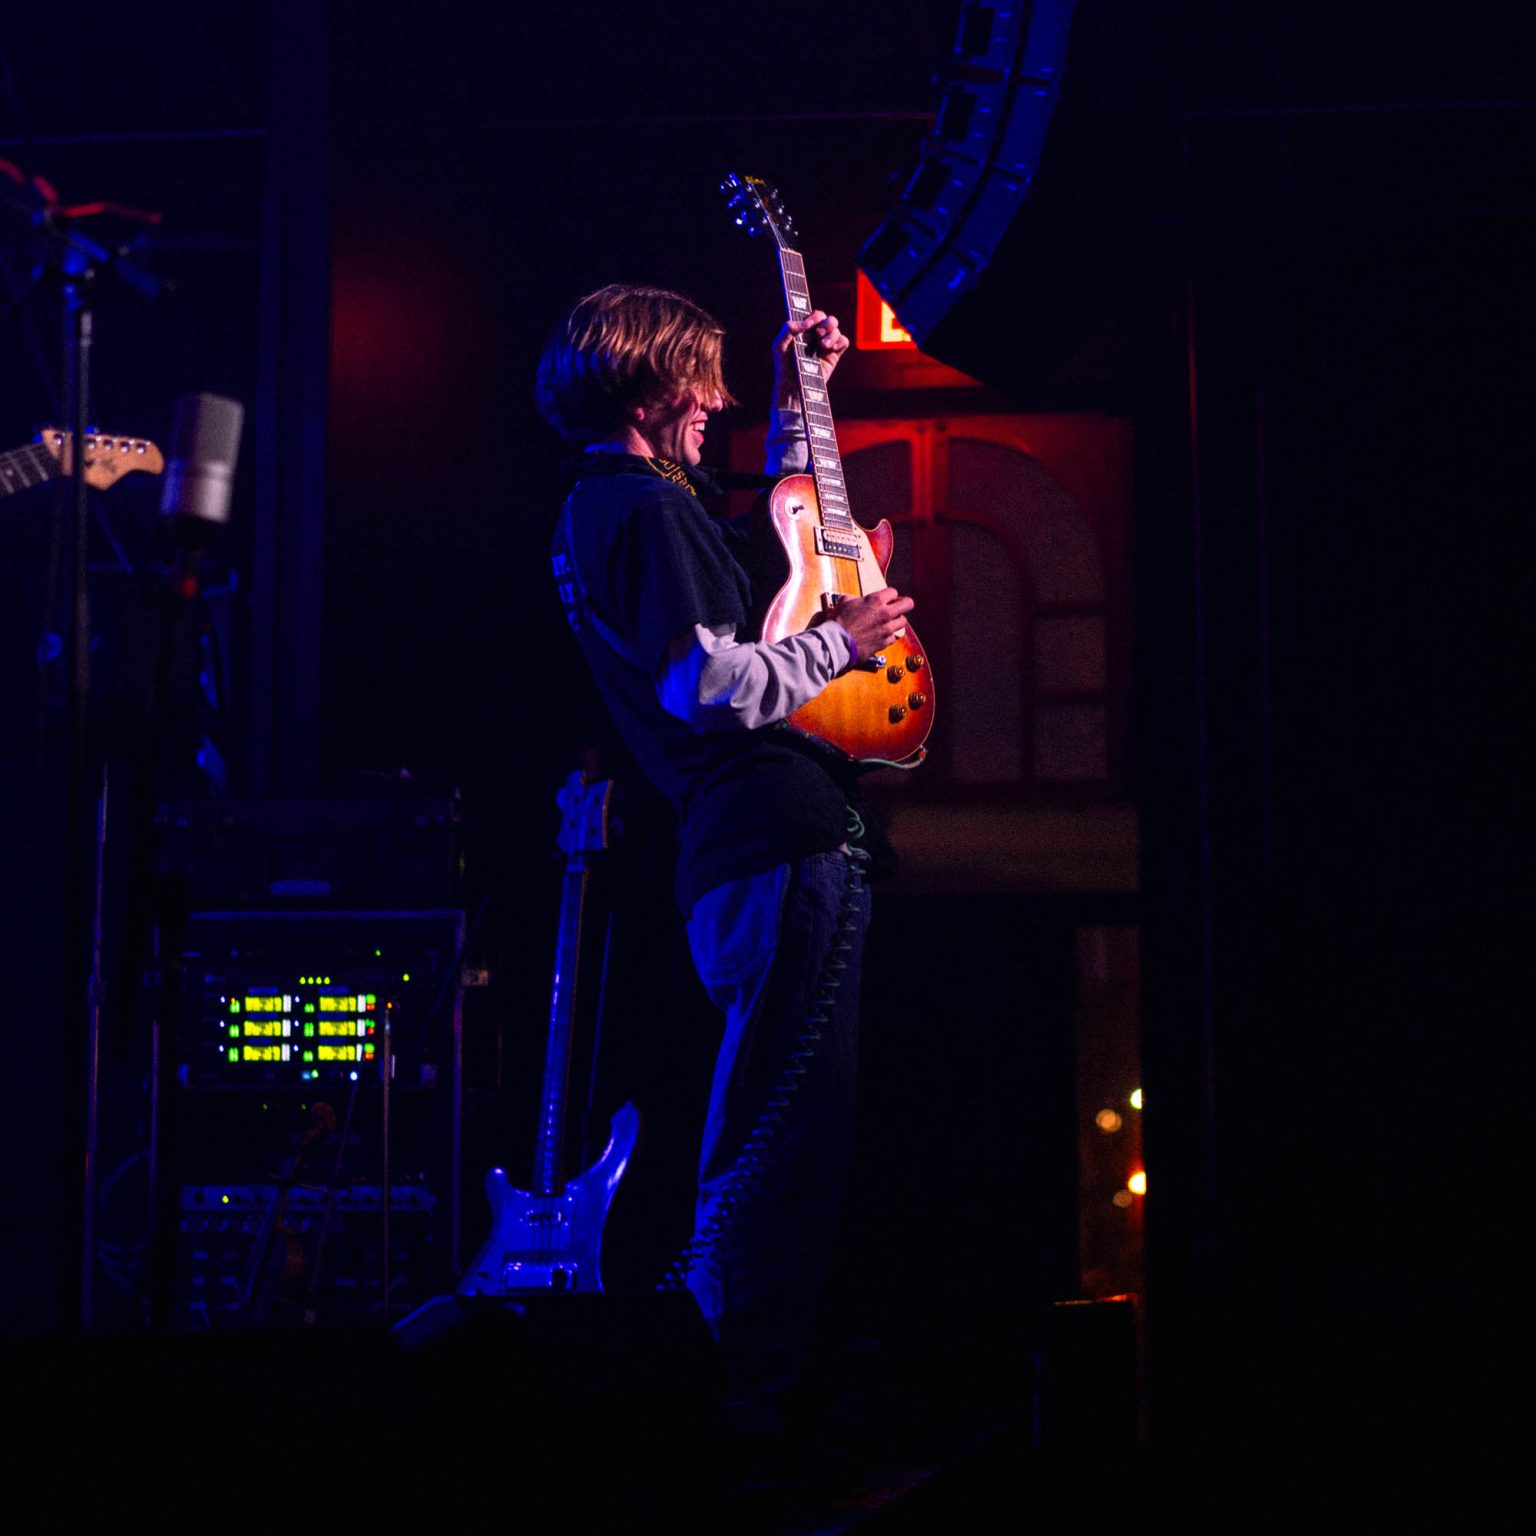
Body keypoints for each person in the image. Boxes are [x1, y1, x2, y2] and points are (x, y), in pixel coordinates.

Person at [538, 283, 913, 1414]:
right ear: (652, 384)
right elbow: (706, 683)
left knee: (772, 1137)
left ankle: (732, 1403)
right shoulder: (642, 510)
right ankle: (735, 1419)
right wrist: (843, 647)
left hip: (737, 854)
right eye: (701, 380)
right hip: (770, 844)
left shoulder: (612, 504)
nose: (717, 402)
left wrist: (812, 397)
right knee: (778, 1156)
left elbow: (777, 535)